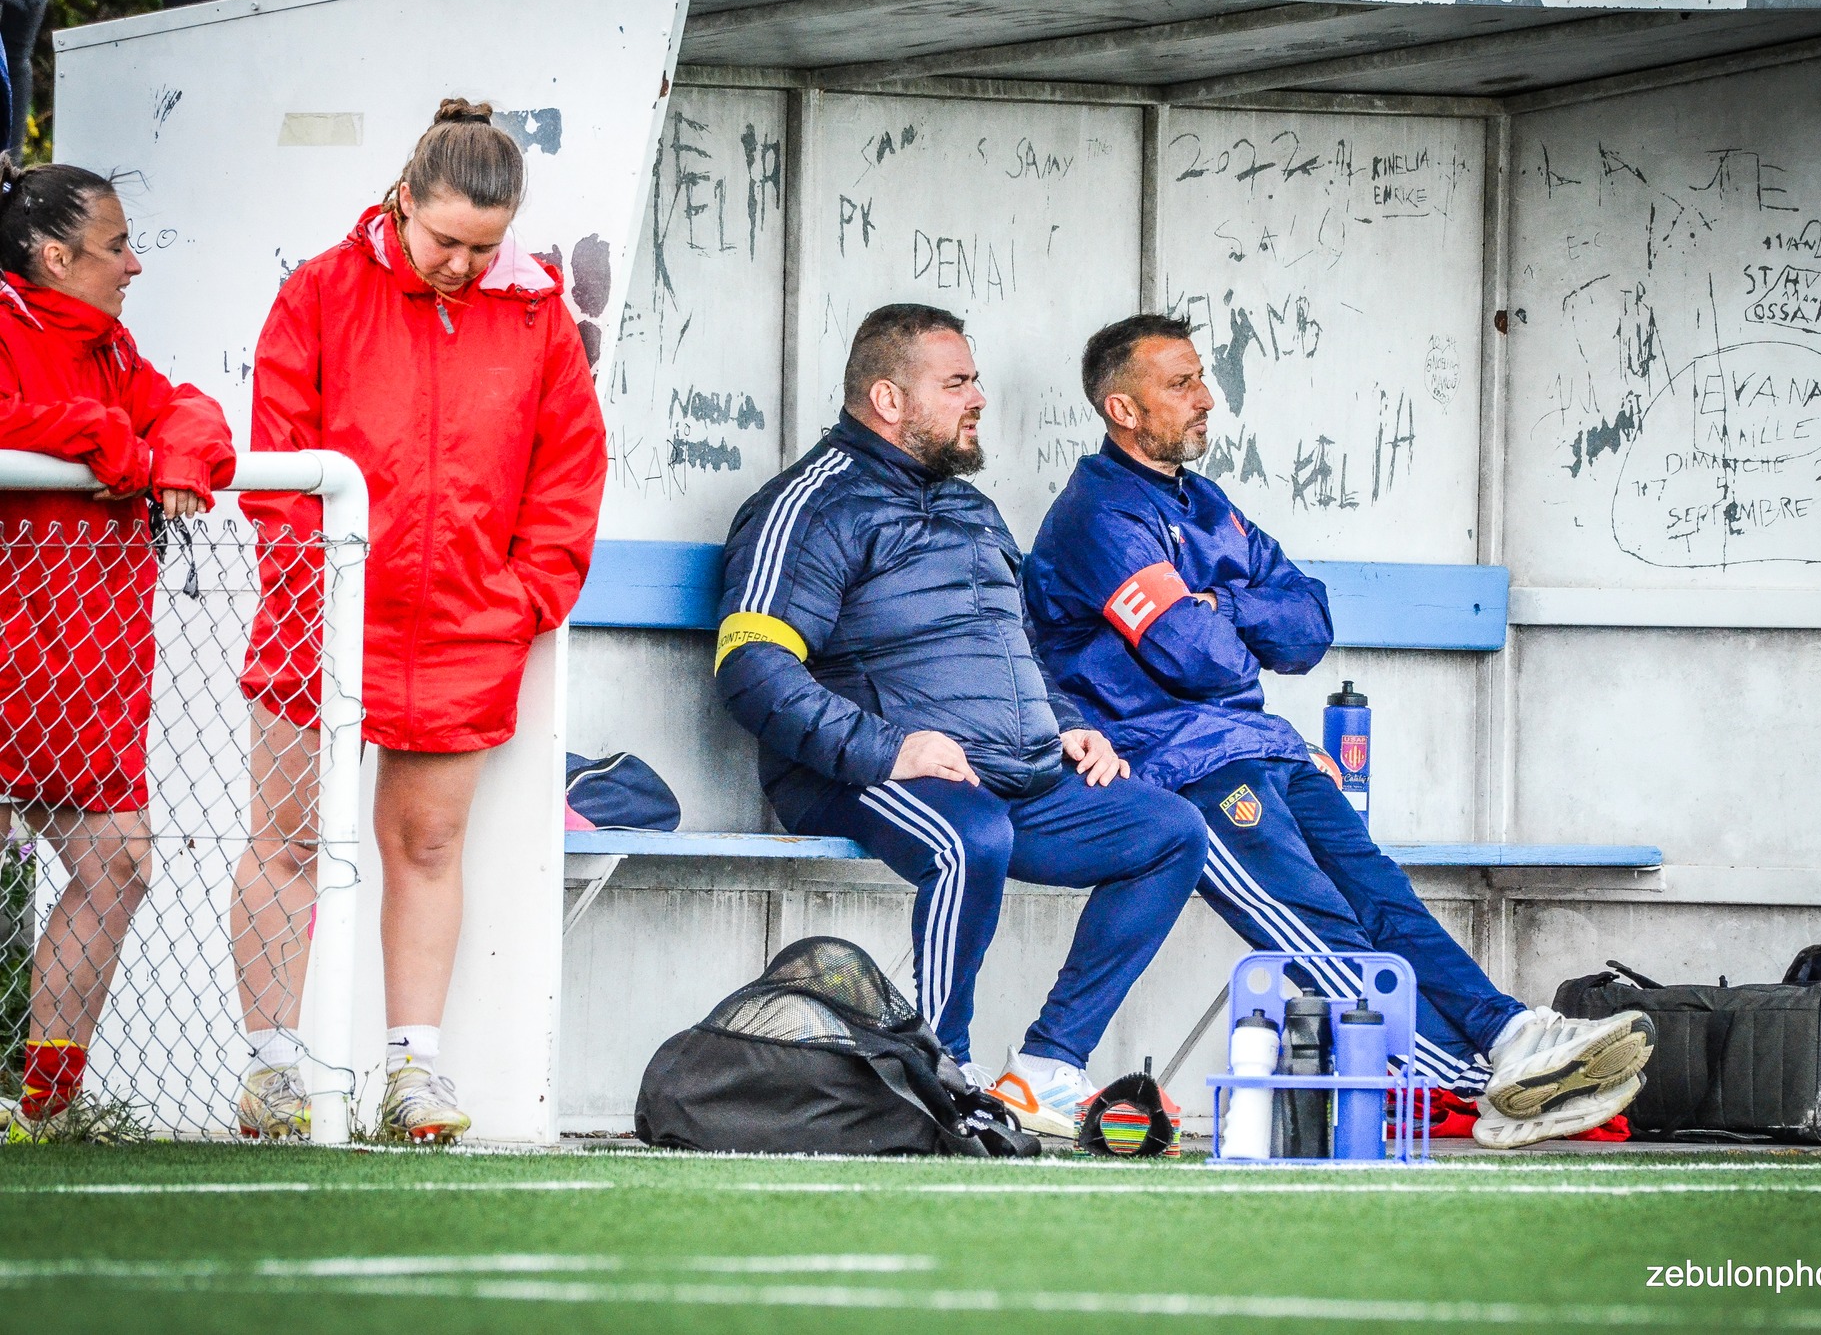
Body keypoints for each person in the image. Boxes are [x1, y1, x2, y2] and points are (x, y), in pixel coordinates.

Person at [1024, 314, 1654, 1149]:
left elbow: (1308, 625)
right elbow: (1193, 655)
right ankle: (1490, 1086)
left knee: (1385, 898)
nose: (1206, 398)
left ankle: (1507, 1035)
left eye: (1201, 376)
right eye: (1179, 384)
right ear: (1123, 410)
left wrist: (1225, 604)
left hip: (1264, 748)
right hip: (1175, 767)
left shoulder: (1206, 504)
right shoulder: (1099, 515)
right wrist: (1226, 616)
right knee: (1320, 926)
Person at [715, 303, 1208, 1139]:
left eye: (974, 379)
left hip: (1008, 769)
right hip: (860, 773)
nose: (979, 397)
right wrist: (889, 748)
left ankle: (1050, 1064)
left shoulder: (971, 510)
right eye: (957, 383)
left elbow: (1008, 653)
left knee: (1169, 830)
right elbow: (751, 667)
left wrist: (1064, 722)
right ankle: (939, 1072)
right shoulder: (811, 505)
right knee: (967, 837)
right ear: (889, 400)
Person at [230, 99, 606, 1142]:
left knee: (430, 844)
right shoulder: (317, 291)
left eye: (485, 247)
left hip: (463, 626)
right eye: (446, 241)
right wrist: (313, 590)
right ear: (402, 201)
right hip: (320, 615)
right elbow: (275, 464)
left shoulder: (534, 314)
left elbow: (569, 473)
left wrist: (520, 600)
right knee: (287, 839)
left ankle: (414, 1072)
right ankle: (270, 1069)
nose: (463, 265)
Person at [0, 157, 235, 1133]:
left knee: (119, 866)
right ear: (54, 256)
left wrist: (166, 453)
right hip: (18, 656)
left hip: (80, 673)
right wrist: (96, 437)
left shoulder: (108, 347)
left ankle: (42, 1108)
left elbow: (190, 412)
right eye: (116, 246)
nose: (134, 264)